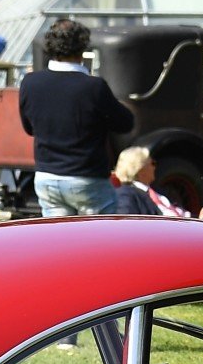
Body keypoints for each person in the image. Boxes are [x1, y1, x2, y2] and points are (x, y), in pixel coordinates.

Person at [18, 17, 133, 216]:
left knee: (59, 242)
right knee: (99, 241)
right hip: (87, 179)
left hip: (47, 177)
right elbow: (125, 123)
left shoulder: (30, 83)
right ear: (83, 48)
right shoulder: (94, 87)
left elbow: (29, 128)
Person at [109, 146, 190, 217]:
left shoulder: (159, 191)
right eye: (152, 163)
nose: (154, 167)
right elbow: (127, 225)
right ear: (140, 168)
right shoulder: (126, 194)